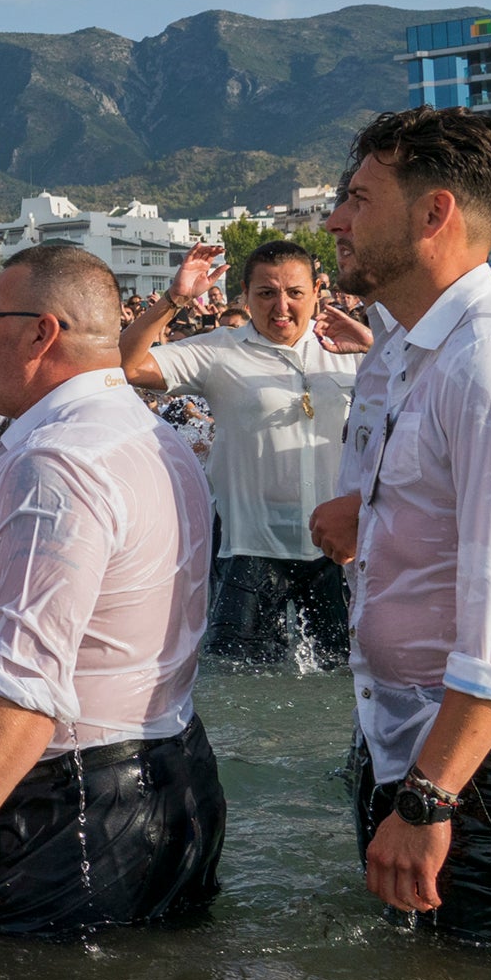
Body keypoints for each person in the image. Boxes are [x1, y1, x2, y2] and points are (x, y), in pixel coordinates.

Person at [322, 108, 491, 965]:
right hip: (417, 740)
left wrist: (429, 799)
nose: (335, 220)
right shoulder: (411, 348)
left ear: (433, 213)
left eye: (359, 199)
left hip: (483, 768)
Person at [0, 246, 224, 939]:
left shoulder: (58, 461)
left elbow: (27, 677)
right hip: (162, 774)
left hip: (72, 809)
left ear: (40, 333)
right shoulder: (152, 435)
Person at [119, 239, 365, 665]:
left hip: (332, 547)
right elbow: (124, 365)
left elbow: (424, 394)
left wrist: (373, 345)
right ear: (246, 297)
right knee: (240, 681)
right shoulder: (221, 350)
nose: (281, 306)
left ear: (316, 292)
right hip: (248, 547)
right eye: (266, 293)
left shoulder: (347, 351)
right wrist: (175, 300)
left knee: (343, 677)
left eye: (295, 293)